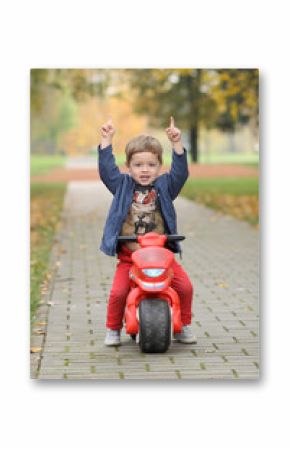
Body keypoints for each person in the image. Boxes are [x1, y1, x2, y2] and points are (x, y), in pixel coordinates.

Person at [98, 116, 196, 346]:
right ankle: (113, 329)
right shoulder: (122, 186)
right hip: (130, 257)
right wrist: (106, 140)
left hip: (161, 257)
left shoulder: (164, 186)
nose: (144, 170)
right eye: (138, 165)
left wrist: (177, 145)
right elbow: (106, 170)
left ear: (159, 167)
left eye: (151, 165)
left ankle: (184, 324)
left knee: (185, 287)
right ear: (128, 167)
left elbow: (180, 174)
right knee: (118, 293)